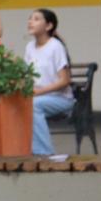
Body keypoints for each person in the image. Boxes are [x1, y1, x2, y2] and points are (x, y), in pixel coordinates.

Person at [26, 8, 72, 156]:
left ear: (49, 26)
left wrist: (38, 92)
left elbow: (64, 80)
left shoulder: (55, 46)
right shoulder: (29, 47)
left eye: (36, 19)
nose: (31, 22)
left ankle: (44, 153)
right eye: (30, 18)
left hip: (60, 98)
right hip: (37, 96)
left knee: (34, 105)